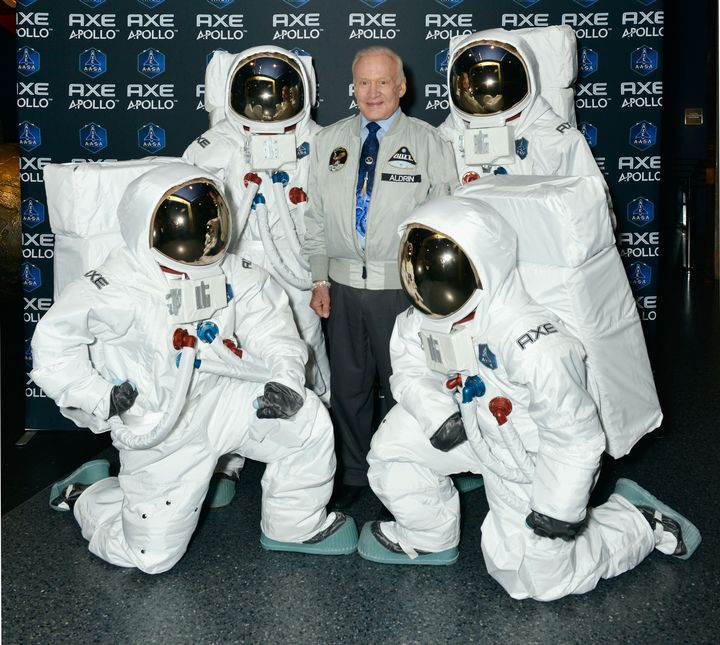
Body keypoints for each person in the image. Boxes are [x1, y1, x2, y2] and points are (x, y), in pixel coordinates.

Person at [356, 194, 700, 600]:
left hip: (525, 455)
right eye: (419, 266)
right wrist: (435, 416)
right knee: (392, 451)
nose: (425, 277)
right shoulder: (422, 319)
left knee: (535, 579)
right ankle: (429, 534)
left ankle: (636, 521)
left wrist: (559, 508)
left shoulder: (531, 342)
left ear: (481, 265)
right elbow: (409, 367)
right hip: (464, 426)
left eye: (440, 266)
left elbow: (575, 435)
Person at [32, 161, 358, 574]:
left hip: (226, 396)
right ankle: (89, 492)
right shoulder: (118, 287)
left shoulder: (236, 273)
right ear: (148, 227)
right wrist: (96, 396)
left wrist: (286, 378)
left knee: (307, 419)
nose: (204, 237)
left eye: (210, 223)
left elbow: (272, 329)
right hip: (164, 423)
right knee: (151, 559)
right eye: (185, 226)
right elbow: (53, 343)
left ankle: (293, 524)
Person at [302, 46, 457, 509]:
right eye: (364, 83)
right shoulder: (328, 141)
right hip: (345, 288)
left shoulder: (430, 143)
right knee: (349, 386)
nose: (373, 93)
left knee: (405, 386)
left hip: (403, 291)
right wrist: (319, 279)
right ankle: (353, 472)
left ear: (402, 86)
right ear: (353, 87)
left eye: (382, 82)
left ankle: (409, 470)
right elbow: (314, 217)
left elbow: (447, 219)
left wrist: (431, 289)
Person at [184, 46, 330, 406]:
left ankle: (317, 415)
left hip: (296, 261)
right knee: (236, 345)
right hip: (237, 259)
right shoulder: (215, 144)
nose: (268, 107)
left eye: (281, 96)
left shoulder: (318, 141)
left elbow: (330, 212)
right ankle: (234, 439)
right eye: (257, 95)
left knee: (305, 339)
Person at [439, 28, 610, 186]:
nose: (488, 87)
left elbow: (591, 206)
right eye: (477, 76)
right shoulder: (444, 141)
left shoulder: (557, 141)